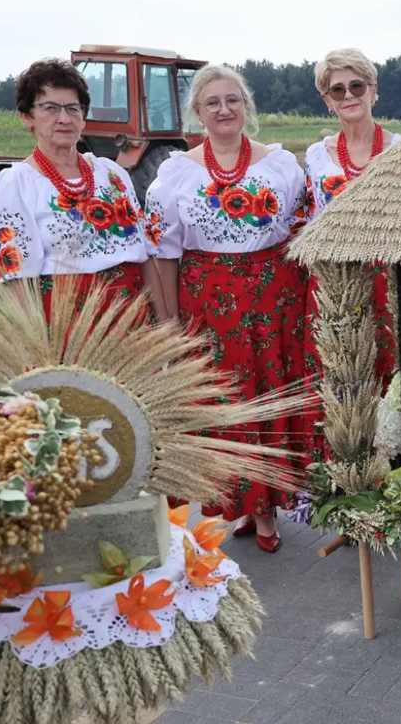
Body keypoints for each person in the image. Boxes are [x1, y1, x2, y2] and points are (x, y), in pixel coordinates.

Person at [144, 65, 315, 553]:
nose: (224, 110)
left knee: (267, 395)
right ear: (197, 112)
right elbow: (165, 253)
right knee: (224, 402)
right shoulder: (176, 172)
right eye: (213, 102)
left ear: (247, 108)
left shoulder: (281, 166)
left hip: (271, 298)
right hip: (208, 302)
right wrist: (171, 322)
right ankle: (237, 501)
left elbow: (301, 231)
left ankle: (265, 508)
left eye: (233, 100)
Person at [0, 59, 161, 320]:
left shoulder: (112, 174)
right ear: (27, 117)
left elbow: (145, 258)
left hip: (132, 318)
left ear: (84, 116)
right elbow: (16, 281)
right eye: (50, 108)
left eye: (73, 108)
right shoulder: (17, 185)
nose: (64, 118)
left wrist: (166, 326)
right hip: (67, 324)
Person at [303, 49, 401, 393]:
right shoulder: (316, 156)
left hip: (387, 278)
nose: (348, 96)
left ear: (373, 91)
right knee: (339, 376)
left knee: (391, 373)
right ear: (327, 100)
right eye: (337, 90)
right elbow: (311, 219)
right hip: (333, 279)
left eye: (356, 86)